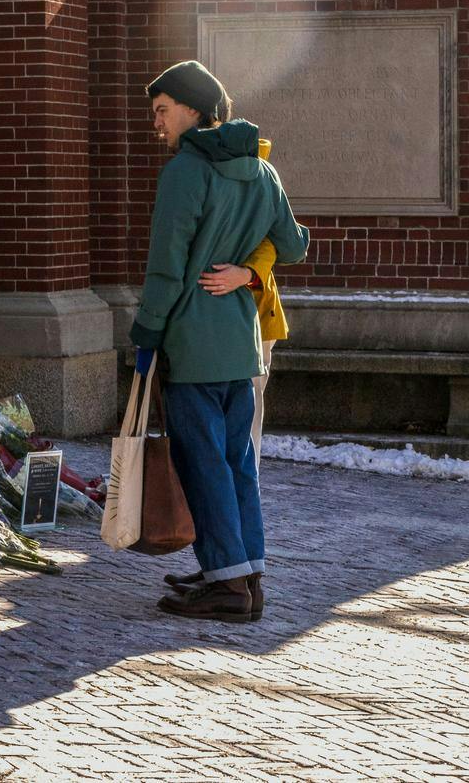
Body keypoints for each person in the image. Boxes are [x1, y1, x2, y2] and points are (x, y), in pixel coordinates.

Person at [131, 61, 308, 623]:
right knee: (238, 462)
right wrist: (249, 271)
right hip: (240, 338)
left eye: (162, 111)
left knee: (204, 462)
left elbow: (166, 267)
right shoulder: (261, 171)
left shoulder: (185, 172)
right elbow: (295, 244)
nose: (157, 123)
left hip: (191, 341)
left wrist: (147, 332)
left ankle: (227, 588)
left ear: (192, 109)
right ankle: (242, 573)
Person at [198, 136, 292, 458]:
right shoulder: (205, 173)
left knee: (249, 402)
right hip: (212, 310)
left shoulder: (261, 175)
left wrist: (247, 274)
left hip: (253, 310)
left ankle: (245, 479)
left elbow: (275, 240)